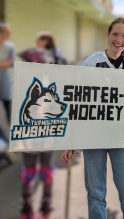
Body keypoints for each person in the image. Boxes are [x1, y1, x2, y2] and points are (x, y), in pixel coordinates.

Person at [63, 18, 124, 219]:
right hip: (94, 138)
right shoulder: (92, 62)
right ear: (107, 35)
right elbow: (79, 102)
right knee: (96, 193)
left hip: (123, 138)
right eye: (115, 34)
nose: (119, 39)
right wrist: (71, 140)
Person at [20, 31, 66, 219]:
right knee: (30, 172)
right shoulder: (25, 84)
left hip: (46, 136)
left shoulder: (53, 87)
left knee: (45, 172)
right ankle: (27, 208)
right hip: (28, 137)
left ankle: (44, 207)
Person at [0, 22, 15, 124]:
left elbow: (11, 62)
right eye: (7, 32)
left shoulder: (10, 46)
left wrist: (6, 63)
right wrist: (4, 62)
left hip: (5, 80)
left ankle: (10, 127)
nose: (9, 35)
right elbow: (6, 62)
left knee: (8, 106)